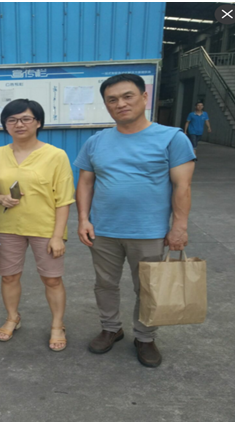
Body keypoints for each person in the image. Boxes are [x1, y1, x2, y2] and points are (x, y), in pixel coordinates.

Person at [74, 74, 196, 367]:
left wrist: (179, 227)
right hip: (104, 230)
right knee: (105, 284)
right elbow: (85, 183)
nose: (120, 104)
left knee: (149, 287)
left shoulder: (172, 138)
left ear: (144, 97)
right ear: (106, 105)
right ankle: (111, 328)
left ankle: (145, 337)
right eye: (112, 100)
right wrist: (83, 219)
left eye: (127, 96)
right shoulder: (95, 142)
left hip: (149, 231)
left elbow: (182, 186)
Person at [0, 99, 75, 352]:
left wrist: (57, 236)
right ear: (5, 125)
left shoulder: (56, 155)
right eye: (12, 120)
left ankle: (57, 325)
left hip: (46, 228)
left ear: (38, 122)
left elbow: (64, 199)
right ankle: (13, 317)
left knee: (52, 279)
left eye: (26, 119)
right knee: (9, 276)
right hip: (7, 226)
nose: (19, 124)